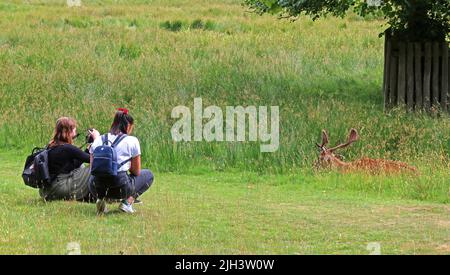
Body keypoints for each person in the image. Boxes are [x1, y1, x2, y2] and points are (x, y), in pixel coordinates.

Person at [88, 108, 154, 214]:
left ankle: (100, 199)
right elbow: (136, 172)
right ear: (128, 126)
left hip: (95, 187)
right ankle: (127, 203)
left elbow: (92, 169)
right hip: (120, 188)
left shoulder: (98, 140)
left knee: (95, 176)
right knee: (149, 175)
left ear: (114, 123)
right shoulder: (132, 141)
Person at [40, 117, 100, 201]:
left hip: (46, 191)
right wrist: (97, 139)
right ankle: (99, 195)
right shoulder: (67, 148)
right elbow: (93, 159)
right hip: (58, 188)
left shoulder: (52, 145)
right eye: (74, 130)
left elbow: (77, 162)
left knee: (81, 166)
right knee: (93, 168)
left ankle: (87, 194)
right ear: (67, 132)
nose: (75, 132)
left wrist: (89, 147)